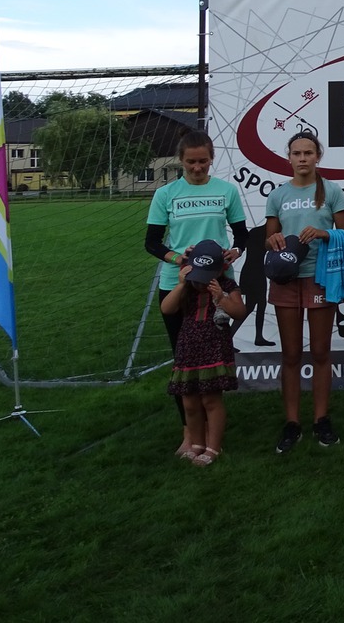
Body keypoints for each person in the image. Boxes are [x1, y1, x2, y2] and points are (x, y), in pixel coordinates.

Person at [144, 130, 247, 458]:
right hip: (178, 285)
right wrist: (179, 259)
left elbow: (242, 235)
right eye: (191, 162)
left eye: (203, 161)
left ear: (211, 158)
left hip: (217, 285)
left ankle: (211, 433)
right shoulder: (166, 194)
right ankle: (189, 432)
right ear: (181, 160)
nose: (197, 167)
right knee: (183, 361)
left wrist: (235, 251)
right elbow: (152, 242)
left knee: (211, 356)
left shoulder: (226, 191)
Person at [265, 130, 344, 453]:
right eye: (297, 153)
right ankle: (292, 423)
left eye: (308, 153)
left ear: (318, 156)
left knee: (320, 352)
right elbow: (269, 239)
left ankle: (321, 420)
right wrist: (273, 240)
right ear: (288, 158)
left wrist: (324, 233)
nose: (302, 158)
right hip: (286, 279)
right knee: (290, 354)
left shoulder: (331, 191)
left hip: (320, 277)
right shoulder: (278, 195)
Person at [161, 239, 246, 466]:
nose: (201, 282)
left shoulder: (227, 286)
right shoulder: (187, 287)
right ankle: (196, 443)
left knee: (210, 399)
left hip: (214, 347)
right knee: (189, 401)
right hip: (188, 348)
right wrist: (180, 285)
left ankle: (213, 447)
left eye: (207, 276)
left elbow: (239, 312)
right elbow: (167, 309)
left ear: (219, 271)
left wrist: (221, 298)